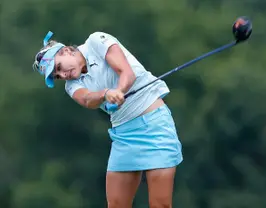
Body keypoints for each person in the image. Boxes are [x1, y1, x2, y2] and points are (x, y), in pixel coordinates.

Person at [32, 31, 183, 208]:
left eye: (58, 67)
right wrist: (105, 93)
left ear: (66, 51)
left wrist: (119, 89)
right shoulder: (72, 85)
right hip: (124, 136)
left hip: (155, 125)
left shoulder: (96, 41)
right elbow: (87, 99)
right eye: (57, 76)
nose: (63, 75)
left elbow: (126, 72)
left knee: (160, 205)